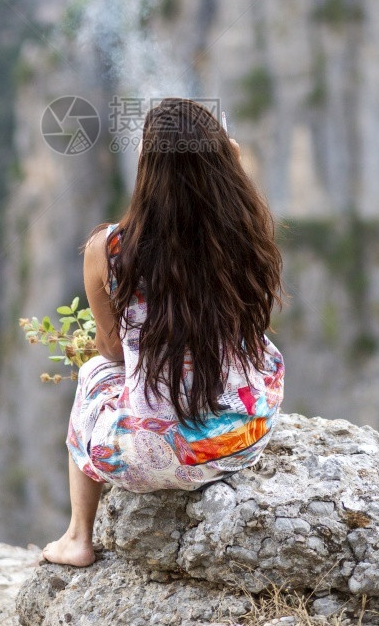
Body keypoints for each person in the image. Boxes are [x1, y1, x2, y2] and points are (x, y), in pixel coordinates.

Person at [42, 97, 286, 567]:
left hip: (159, 456)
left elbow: (113, 349)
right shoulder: (243, 231)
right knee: (258, 350)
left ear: (147, 167)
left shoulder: (109, 250)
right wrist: (223, 157)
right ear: (222, 160)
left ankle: (77, 538)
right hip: (241, 437)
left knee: (94, 373)